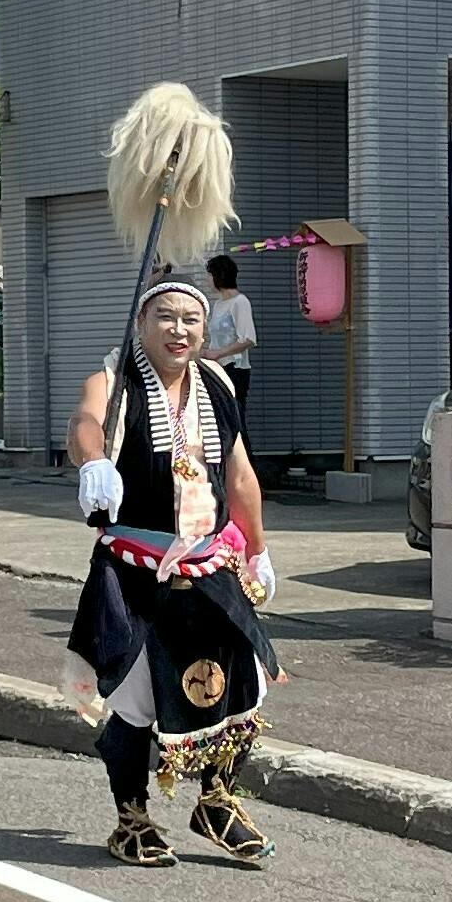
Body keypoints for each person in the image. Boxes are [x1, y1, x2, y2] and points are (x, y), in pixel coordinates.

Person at [65, 275, 277, 867]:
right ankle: (131, 816)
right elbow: (84, 424)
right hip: (135, 569)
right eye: (165, 317)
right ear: (140, 324)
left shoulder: (218, 383)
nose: (178, 329)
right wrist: (93, 463)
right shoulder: (114, 381)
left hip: (211, 565)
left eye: (190, 318)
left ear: (205, 329)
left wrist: (257, 550)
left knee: (244, 683)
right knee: (134, 699)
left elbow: (238, 477)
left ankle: (216, 799)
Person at [198, 251, 259, 406]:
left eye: (210, 275)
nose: (207, 280)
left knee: (235, 411)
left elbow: (248, 339)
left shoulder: (240, 302)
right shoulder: (218, 304)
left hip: (235, 368)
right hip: (218, 366)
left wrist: (217, 353)